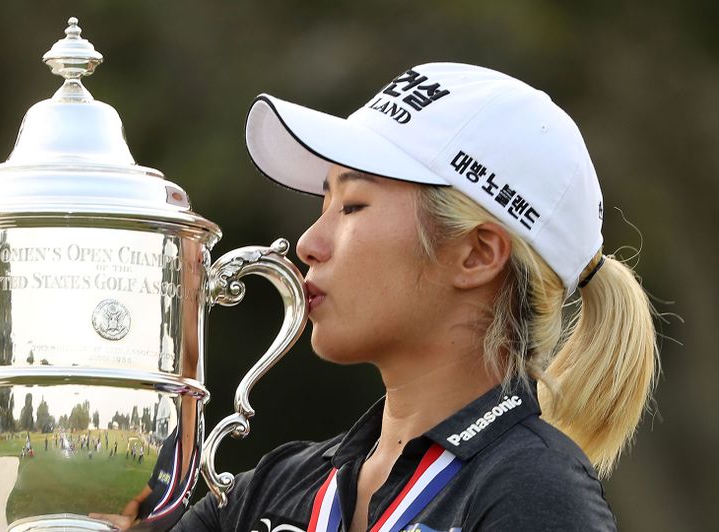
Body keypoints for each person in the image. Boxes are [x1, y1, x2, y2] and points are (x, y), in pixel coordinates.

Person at [174, 63, 658, 531]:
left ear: (475, 253)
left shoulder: (533, 493)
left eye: (353, 206)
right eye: (324, 204)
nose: (307, 244)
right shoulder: (273, 490)